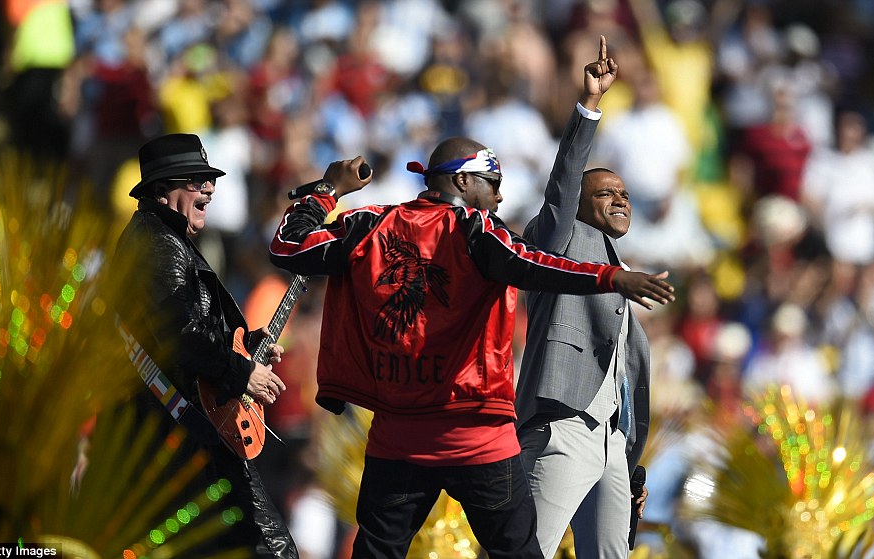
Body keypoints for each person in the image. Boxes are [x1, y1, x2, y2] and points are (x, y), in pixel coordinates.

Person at [267, 37, 674, 558]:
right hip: (475, 433)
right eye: (492, 181)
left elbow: (289, 244)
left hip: (398, 433)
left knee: (377, 553)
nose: (500, 195)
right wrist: (609, 279)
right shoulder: (477, 230)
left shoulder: (367, 224)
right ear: (463, 181)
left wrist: (327, 189)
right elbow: (534, 264)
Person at [110, 133, 298, 558]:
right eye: (197, 180)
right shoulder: (159, 245)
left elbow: (186, 327)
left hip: (175, 431)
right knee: (268, 548)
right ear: (163, 191)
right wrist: (242, 372)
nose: (210, 188)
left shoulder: (161, 239)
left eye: (209, 179)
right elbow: (182, 334)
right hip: (178, 431)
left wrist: (245, 346)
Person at [515, 36, 658, 559]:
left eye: (624, 194)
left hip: (611, 443)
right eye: (606, 193)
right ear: (580, 204)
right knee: (529, 551)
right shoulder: (560, 238)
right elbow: (563, 183)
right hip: (564, 426)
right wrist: (591, 105)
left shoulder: (620, 272)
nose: (620, 200)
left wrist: (628, 450)